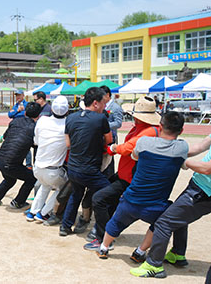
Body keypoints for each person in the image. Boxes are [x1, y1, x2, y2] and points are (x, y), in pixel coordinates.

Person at [97, 112, 187, 260]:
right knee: (163, 222)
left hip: (130, 199)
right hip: (156, 206)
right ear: (181, 130)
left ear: (161, 126)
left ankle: (104, 248)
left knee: (116, 222)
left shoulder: (144, 142)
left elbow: (134, 156)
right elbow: (187, 158)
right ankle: (140, 251)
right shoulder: (181, 148)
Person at [84, 96, 161, 251]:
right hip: (124, 173)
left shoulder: (150, 131)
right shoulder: (140, 127)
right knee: (108, 199)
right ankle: (107, 230)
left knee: (99, 199)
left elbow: (128, 148)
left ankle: (103, 237)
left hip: (131, 178)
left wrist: (110, 148)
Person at [130, 133, 211, 278]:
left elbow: (207, 169)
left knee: (163, 223)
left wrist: (184, 162)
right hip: (198, 187)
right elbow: (202, 145)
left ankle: (154, 265)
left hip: (204, 192)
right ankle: (177, 253)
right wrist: (172, 151)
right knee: (178, 217)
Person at [59, 87, 112, 237]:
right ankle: (102, 231)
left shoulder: (70, 118)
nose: (104, 106)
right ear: (95, 103)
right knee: (109, 193)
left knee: (76, 194)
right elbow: (109, 140)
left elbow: (68, 144)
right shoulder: (101, 119)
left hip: (73, 167)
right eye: (103, 103)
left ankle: (65, 226)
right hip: (90, 170)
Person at [75, 85, 125, 234]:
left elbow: (118, 124)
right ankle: (86, 218)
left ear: (108, 96)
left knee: (104, 184)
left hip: (107, 149)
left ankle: (100, 223)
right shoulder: (92, 111)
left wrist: (102, 126)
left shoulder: (114, 108)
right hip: (91, 154)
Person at [0, 102, 42, 208]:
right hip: (11, 164)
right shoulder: (35, 128)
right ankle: (18, 202)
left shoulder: (15, 121)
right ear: (38, 116)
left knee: (10, 179)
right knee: (32, 178)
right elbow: (37, 146)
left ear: (25, 112)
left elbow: (5, 136)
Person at [26, 96, 69, 222]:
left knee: (45, 185)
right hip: (53, 170)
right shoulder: (67, 124)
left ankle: (33, 212)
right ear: (67, 111)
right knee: (63, 187)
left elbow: (36, 141)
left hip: (38, 168)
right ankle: (44, 213)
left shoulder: (42, 120)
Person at [8, 89, 32, 168]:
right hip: (16, 128)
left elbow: (26, 114)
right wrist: (17, 111)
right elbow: (10, 115)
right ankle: (18, 162)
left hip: (25, 128)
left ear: (23, 95)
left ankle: (28, 164)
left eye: (19, 95)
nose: (17, 97)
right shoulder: (15, 106)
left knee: (26, 145)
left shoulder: (27, 104)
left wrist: (16, 113)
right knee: (17, 145)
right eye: (16, 95)